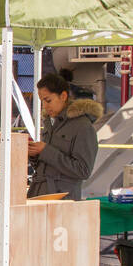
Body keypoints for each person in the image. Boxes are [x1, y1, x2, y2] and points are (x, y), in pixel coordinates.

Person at [27, 72, 102, 200]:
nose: (44, 106)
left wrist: (45, 151)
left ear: (63, 96)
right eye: (42, 101)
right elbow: (48, 165)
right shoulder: (50, 123)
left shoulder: (83, 126)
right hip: (39, 193)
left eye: (48, 100)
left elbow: (83, 170)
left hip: (63, 199)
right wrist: (34, 155)